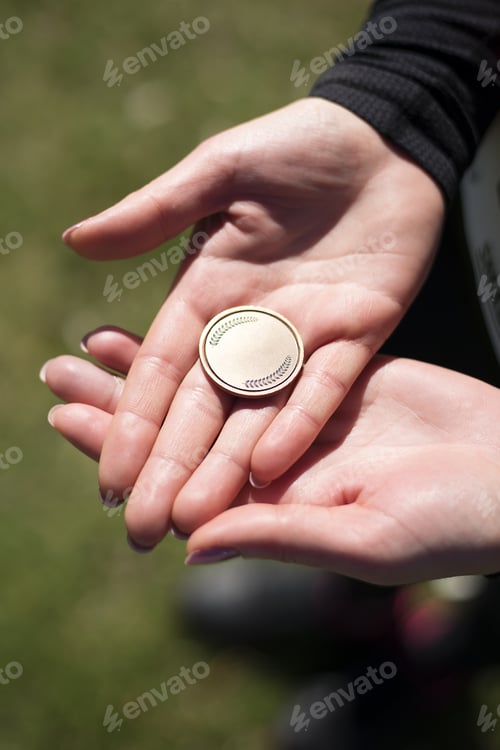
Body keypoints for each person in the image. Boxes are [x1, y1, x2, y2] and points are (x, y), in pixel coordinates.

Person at [43, 0, 500, 580]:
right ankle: (363, 613)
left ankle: (459, 635)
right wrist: (410, 92)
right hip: (451, 216)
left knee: (431, 501)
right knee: (361, 436)